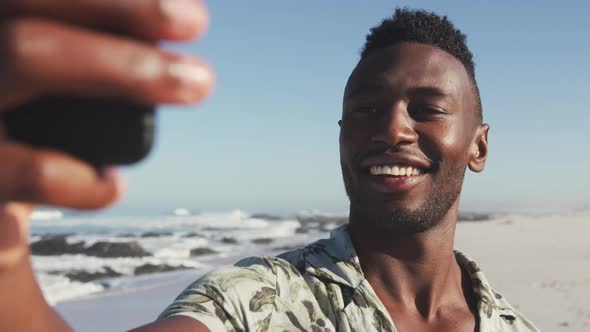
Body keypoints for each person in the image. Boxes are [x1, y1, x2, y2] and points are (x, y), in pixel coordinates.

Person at [0, 1, 540, 331]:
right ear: (343, 137)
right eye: (367, 110)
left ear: (479, 146)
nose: (393, 129)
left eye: (427, 109)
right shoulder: (257, 301)